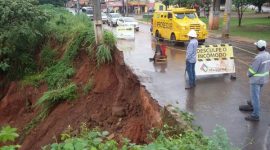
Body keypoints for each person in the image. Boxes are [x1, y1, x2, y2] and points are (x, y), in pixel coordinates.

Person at [239, 40, 270, 121]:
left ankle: (255, 115)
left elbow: (252, 71)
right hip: (263, 79)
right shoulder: (267, 54)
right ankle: (252, 105)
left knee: (255, 97)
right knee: (256, 95)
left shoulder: (258, 57)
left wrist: (248, 74)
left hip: (256, 80)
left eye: (256, 46)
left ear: (258, 48)